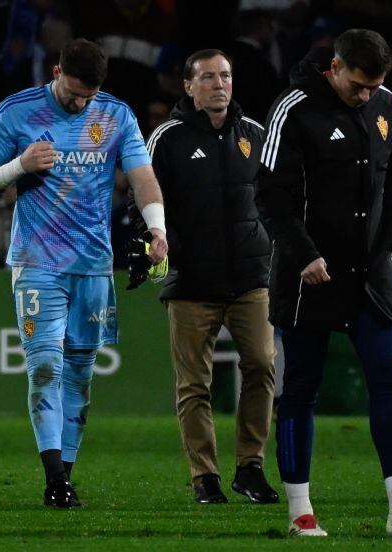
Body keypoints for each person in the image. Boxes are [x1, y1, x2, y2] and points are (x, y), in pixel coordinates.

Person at [256, 28, 392, 537]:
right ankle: (300, 512)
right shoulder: (293, 109)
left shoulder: (386, 104)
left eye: (373, 87)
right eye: (357, 86)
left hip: (372, 271)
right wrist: (304, 255)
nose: (366, 96)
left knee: (388, 378)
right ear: (334, 68)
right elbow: (271, 196)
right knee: (301, 388)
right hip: (309, 272)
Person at [0, 38, 168, 508]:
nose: (81, 104)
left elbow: (141, 177)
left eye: (88, 97)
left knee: (80, 373)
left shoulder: (115, 115)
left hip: (93, 264)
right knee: (44, 366)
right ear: (56, 71)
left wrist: (158, 229)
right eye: (74, 93)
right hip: (37, 260)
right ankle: (54, 476)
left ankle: (65, 477)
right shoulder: (16, 112)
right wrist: (17, 166)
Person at [132, 49, 278, 505]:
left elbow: (279, 199)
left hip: (250, 279)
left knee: (261, 366)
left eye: (226, 76)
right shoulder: (167, 138)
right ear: (189, 86)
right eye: (209, 77)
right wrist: (150, 240)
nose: (220, 84)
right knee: (195, 383)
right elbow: (145, 196)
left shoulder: (254, 134)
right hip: (192, 282)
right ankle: (205, 476)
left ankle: (250, 468)